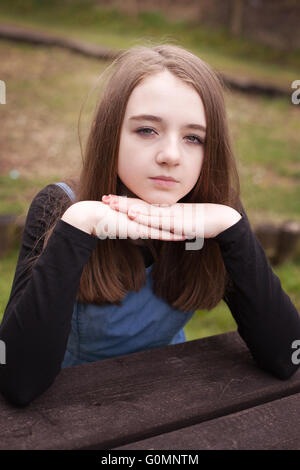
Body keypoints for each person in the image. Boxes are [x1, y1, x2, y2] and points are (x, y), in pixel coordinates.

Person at [0, 44, 299, 408]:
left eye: (193, 138)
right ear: (108, 133)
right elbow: (18, 380)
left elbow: (287, 356)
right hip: (74, 408)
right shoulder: (59, 208)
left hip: (170, 400)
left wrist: (231, 227)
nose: (171, 155)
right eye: (146, 130)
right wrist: (79, 225)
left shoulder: (214, 215)